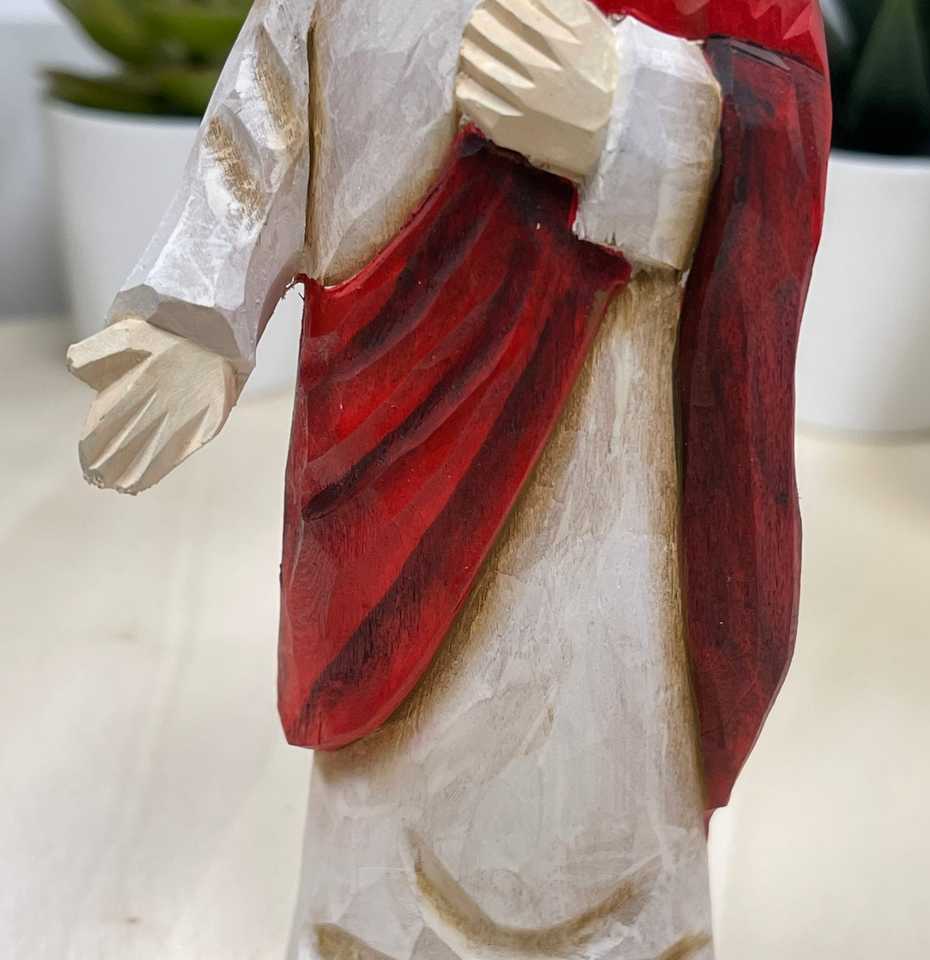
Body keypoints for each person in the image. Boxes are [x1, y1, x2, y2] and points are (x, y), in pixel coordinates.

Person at [67, 1, 829, 956]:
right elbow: (269, 107)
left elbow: (782, 109)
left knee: (607, 803)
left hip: (618, 490)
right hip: (383, 478)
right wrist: (195, 317)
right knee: (384, 839)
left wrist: (636, 115)